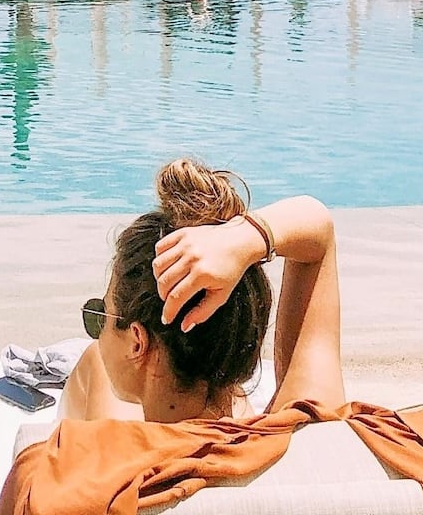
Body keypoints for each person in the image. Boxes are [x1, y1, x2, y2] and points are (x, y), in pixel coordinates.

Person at [55, 158, 341, 425]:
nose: (99, 332)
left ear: (137, 342)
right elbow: (318, 232)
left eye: (100, 317)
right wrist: (244, 237)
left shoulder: (92, 464)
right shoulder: (315, 432)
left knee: (96, 359)